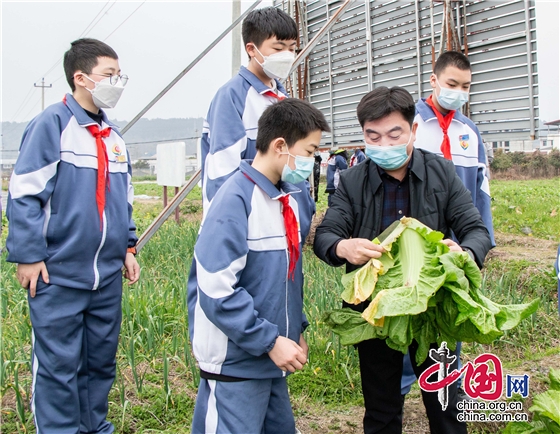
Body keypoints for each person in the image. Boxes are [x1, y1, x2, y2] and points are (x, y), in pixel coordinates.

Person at [313, 86, 492, 434]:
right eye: (373, 136)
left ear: (412, 130)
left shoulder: (441, 172)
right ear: (363, 135)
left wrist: (465, 253)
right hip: (377, 312)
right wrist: (343, 248)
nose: (384, 145)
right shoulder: (351, 181)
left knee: (445, 405)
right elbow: (327, 235)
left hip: (432, 308)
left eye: (394, 134)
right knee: (381, 409)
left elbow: (476, 230)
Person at [6, 38, 140, 433]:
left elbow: (124, 201)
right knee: (59, 365)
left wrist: (128, 246)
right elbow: (25, 193)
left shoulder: (113, 138)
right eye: (108, 75)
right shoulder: (52, 126)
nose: (116, 82)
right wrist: (29, 254)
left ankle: (93, 426)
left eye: (119, 75)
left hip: (104, 277)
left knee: (99, 361)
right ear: (80, 78)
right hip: (58, 274)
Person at [189, 99, 330, 433]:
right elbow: (216, 289)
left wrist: (295, 329)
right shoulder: (235, 200)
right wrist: (270, 340)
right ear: (280, 146)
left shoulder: (286, 198)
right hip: (235, 363)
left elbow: (285, 277)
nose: (312, 162)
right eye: (309, 152)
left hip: (269, 358)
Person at [402, 50, 496, 399]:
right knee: (404, 338)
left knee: (445, 345)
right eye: (451, 84)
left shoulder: (469, 132)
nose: (458, 91)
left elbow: (481, 193)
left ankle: (445, 405)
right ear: (434, 80)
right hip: (414, 255)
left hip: (455, 254)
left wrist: (478, 248)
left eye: (465, 86)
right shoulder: (409, 124)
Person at [200, 6, 298, 213]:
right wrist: (231, 220)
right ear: (252, 49)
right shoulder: (232, 96)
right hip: (245, 215)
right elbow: (223, 171)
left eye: (292, 48)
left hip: (278, 214)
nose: (288, 55)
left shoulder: (283, 99)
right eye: (278, 48)